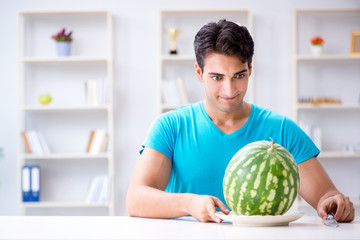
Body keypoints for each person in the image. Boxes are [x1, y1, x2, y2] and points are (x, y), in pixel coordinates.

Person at [126, 19, 355, 223]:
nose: (229, 89)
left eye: (239, 76)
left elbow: (326, 196)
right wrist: (190, 203)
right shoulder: (170, 127)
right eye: (217, 77)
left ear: (250, 70)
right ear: (199, 72)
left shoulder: (282, 130)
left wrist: (336, 204)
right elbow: (136, 199)